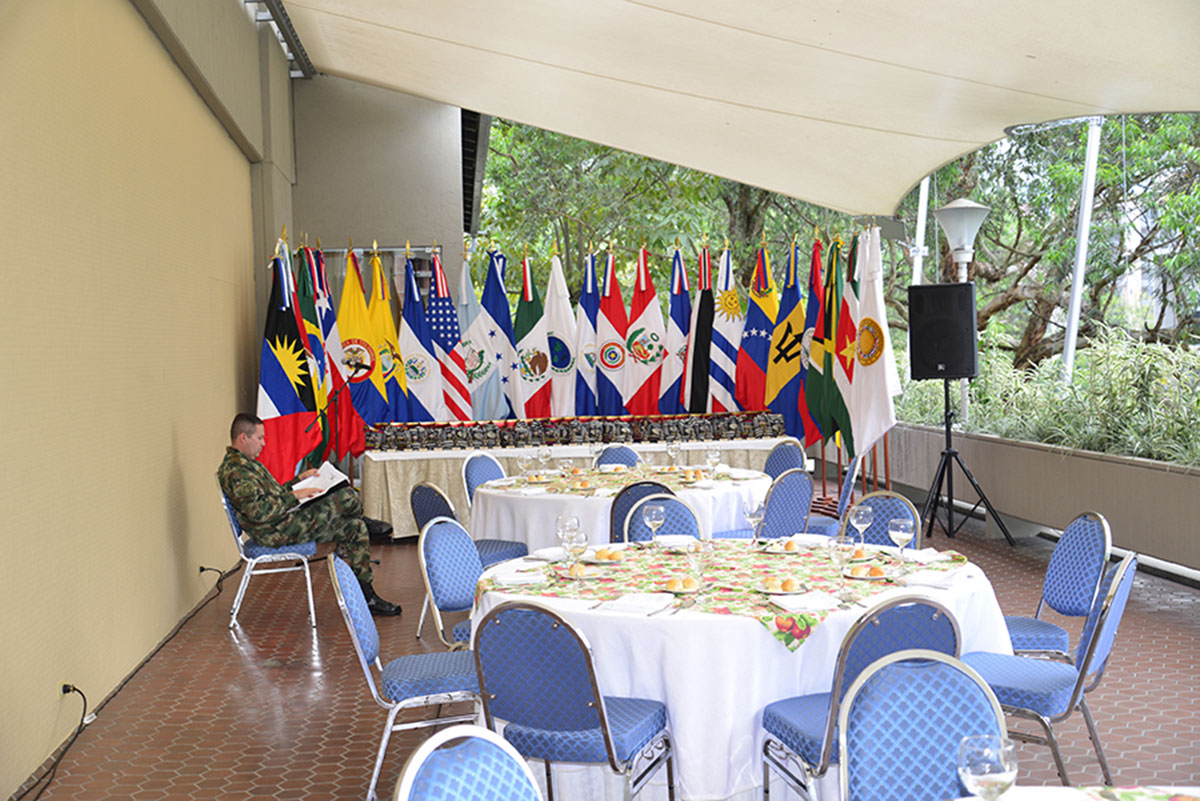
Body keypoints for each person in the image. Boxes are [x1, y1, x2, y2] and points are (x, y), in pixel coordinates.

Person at [218, 413, 401, 616]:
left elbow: (274, 495)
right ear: (243, 438)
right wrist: (295, 496)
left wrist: (299, 480)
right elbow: (258, 513)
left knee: (355, 528)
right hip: (273, 531)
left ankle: (368, 597)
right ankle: (363, 520)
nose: (264, 443)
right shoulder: (237, 472)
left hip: (282, 520)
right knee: (347, 497)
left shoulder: (247, 464)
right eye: (259, 438)